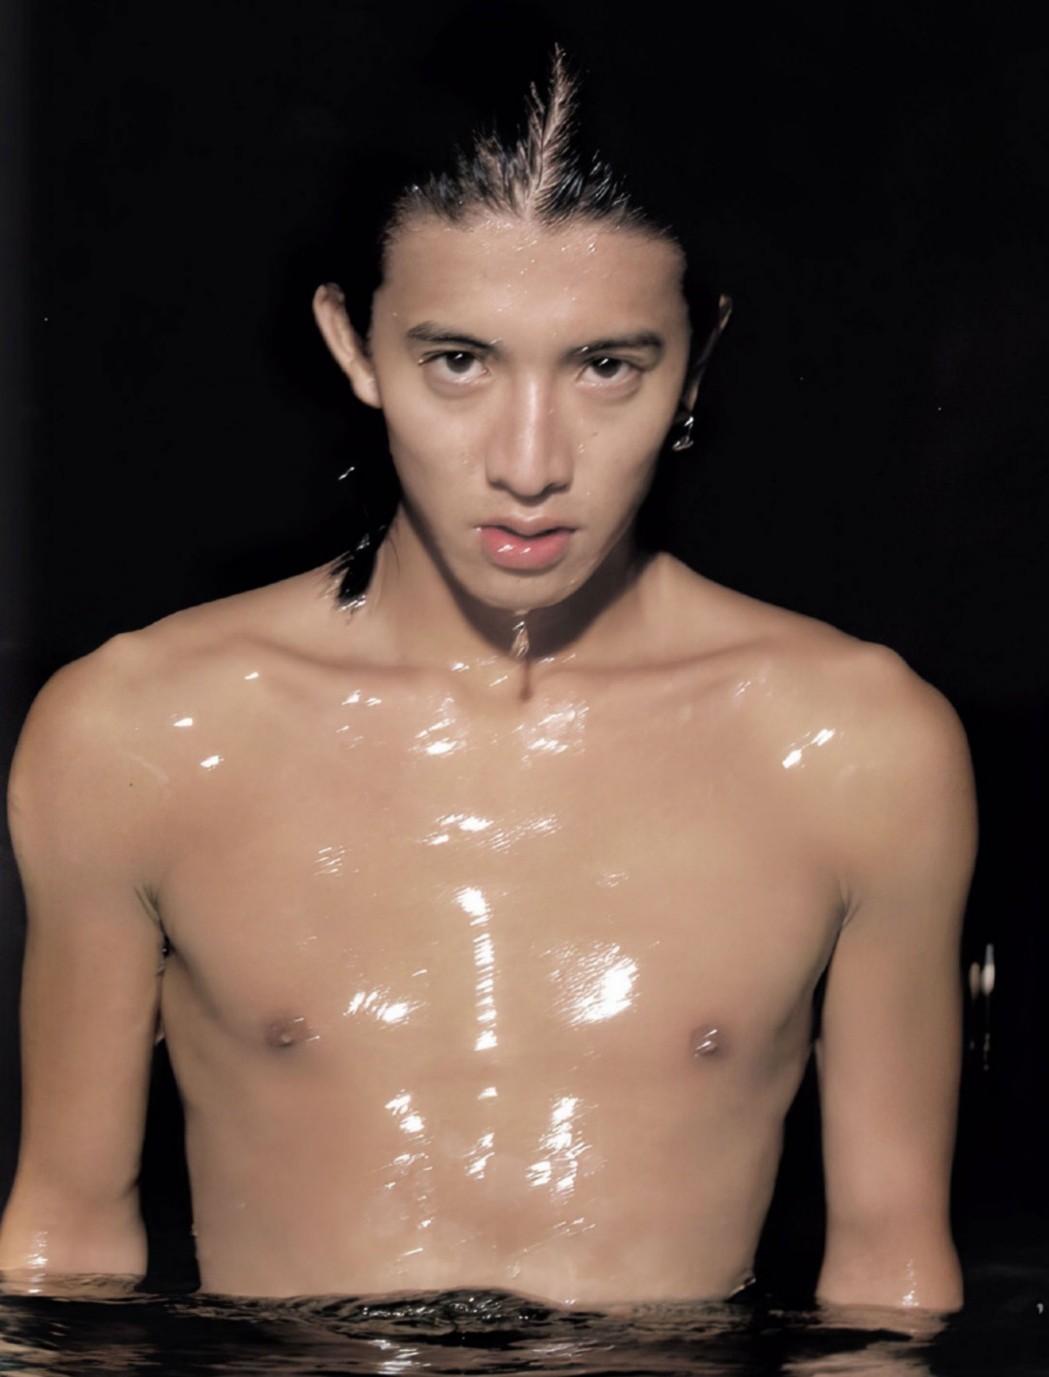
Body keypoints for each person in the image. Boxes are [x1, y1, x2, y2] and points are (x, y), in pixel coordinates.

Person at [0, 55, 976, 1309]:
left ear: (696, 359)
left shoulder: (857, 748)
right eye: (459, 360)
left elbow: (891, 1276)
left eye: (605, 366)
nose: (528, 463)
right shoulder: (139, 734)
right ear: (351, 343)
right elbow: (62, 1243)